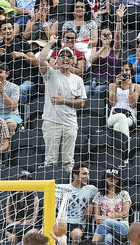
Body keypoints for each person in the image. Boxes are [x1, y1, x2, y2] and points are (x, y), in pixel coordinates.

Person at [39, 36, 87, 173]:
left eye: (69, 56)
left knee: (68, 161)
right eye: (62, 56)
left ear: (73, 60)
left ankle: (67, 188)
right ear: (57, 59)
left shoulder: (77, 80)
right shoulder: (50, 74)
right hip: (51, 123)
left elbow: (81, 102)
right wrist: (50, 43)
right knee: (50, 160)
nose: (66, 59)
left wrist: (63, 101)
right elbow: (41, 60)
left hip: (70, 124)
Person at [0, 19, 37, 105]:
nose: (7, 31)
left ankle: (23, 116)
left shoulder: (22, 42)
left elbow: (35, 63)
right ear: (0, 32)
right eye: (4, 29)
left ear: (13, 29)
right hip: (9, 82)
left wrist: (22, 55)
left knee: (21, 89)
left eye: (9, 28)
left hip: (27, 81)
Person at [86, 6, 124, 98]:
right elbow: (91, 60)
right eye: (104, 35)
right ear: (100, 36)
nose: (106, 37)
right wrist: (103, 47)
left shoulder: (115, 50)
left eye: (109, 35)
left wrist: (119, 19)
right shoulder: (96, 48)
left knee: (98, 90)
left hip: (107, 81)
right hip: (93, 80)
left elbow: (118, 36)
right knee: (86, 90)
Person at [55, 162, 98, 243]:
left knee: (77, 235)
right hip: (61, 222)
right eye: (84, 174)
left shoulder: (91, 189)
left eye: (88, 174)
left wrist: (91, 204)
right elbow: (52, 204)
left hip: (77, 224)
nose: (87, 177)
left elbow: (100, 197)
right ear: (75, 175)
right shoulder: (63, 188)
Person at [92, 168, 131, 244]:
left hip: (122, 226)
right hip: (104, 228)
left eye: (114, 177)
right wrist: (109, 219)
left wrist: (107, 218)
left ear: (117, 180)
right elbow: (96, 217)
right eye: (109, 176)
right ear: (105, 178)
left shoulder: (124, 194)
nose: (111, 179)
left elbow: (125, 213)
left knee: (107, 222)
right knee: (107, 238)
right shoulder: (99, 195)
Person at [5, 170, 39, 243]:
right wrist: (19, 222)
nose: (23, 181)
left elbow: (34, 219)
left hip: (28, 227)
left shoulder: (35, 197)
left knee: (31, 235)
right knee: (12, 237)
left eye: (25, 179)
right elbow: (8, 219)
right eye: (21, 178)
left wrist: (24, 222)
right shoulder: (11, 196)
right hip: (14, 225)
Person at [108, 66, 140, 138]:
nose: (124, 72)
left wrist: (129, 87)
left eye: (127, 70)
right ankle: (128, 143)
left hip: (130, 116)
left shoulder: (136, 86)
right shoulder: (112, 85)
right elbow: (112, 103)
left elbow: (132, 105)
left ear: (131, 72)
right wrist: (116, 86)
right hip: (114, 115)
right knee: (121, 117)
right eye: (122, 70)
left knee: (117, 125)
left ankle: (119, 146)